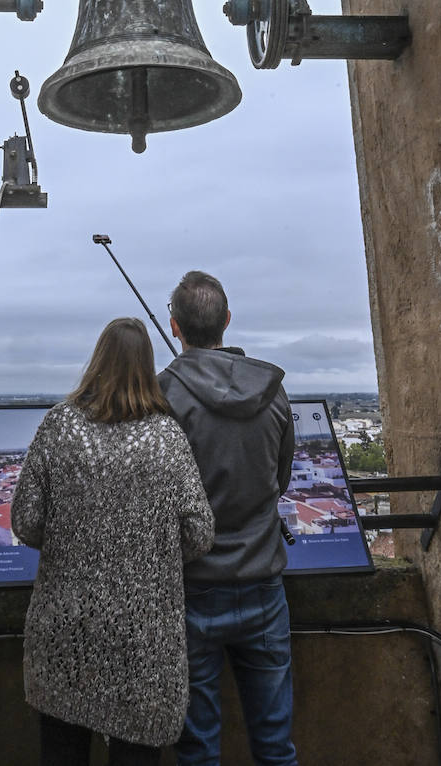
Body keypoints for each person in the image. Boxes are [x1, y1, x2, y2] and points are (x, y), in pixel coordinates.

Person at [11, 317, 215, 766]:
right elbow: (199, 533)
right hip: (144, 638)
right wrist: (147, 552)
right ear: (147, 367)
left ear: (97, 361)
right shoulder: (166, 439)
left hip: (66, 626)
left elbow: (26, 520)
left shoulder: (59, 426)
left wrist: (75, 542)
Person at [158, 271, 298, 766]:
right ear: (227, 321)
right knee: (276, 746)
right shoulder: (273, 393)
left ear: (175, 327)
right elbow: (279, 481)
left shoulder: (163, 397)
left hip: (192, 585)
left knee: (198, 751)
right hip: (263, 581)